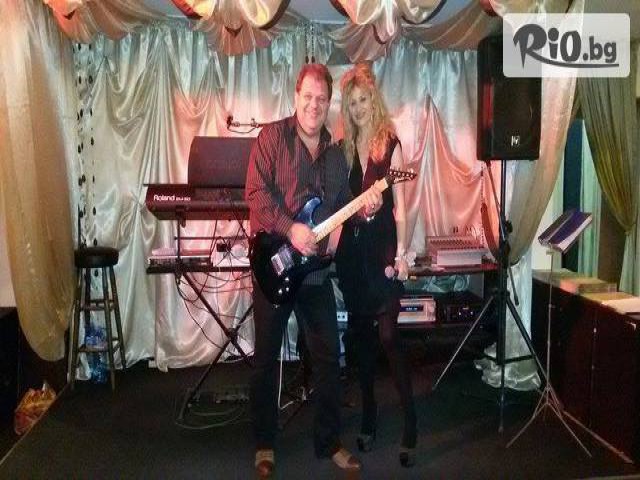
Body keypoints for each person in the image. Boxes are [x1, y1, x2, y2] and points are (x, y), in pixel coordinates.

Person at [245, 63, 383, 478]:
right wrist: (291, 229)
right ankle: (265, 443)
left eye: (321, 99)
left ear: (328, 103)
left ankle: (329, 441)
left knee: (328, 360)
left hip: (317, 273)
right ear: (296, 96)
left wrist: (365, 210)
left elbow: (342, 208)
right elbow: (255, 194)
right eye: (308, 96)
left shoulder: (336, 156)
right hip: (276, 265)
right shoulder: (272, 138)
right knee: (266, 359)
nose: (314, 105)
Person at [335, 62, 418, 467]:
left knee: (388, 336)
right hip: (353, 257)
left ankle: (410, 419)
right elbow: (338, 203)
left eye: (363, 100)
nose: (358, 109)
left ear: (374, 100)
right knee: (362, 342)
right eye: (352, 103)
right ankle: (368, 416)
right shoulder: (343, 149)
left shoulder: (391, 145)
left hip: (383, 252)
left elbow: (401, 208)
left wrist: (402, 254)